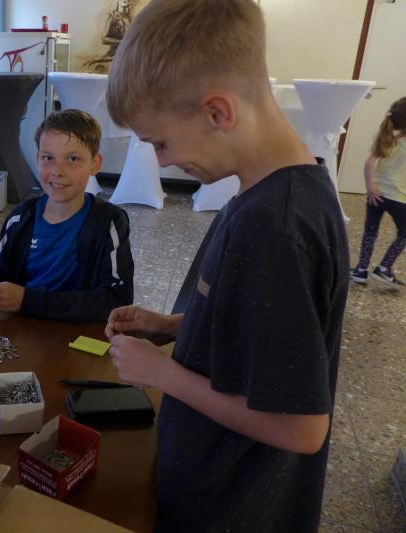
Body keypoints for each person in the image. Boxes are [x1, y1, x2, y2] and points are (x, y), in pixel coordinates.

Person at [103, 1, 349, 531]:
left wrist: (161, 374)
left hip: (232, 506)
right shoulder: (271, 190)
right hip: (211, 484)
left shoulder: (276, 225)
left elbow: (301, 427)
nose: (163, 160)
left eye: (161, 142)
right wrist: (174, 326)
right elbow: (260, 330)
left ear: (218, 112)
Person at [0, 109, 133, 321]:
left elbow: (118, 298)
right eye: (48, 158)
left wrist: (28, 300)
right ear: (38, 159)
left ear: (94, 164)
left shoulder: (108, 222)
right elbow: (3, 272)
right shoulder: (19, 219)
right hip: (22, 330)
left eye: (73, 159)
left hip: (76, 332)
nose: (57, 171)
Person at [350, 97, 406, 290]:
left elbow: (369, 163)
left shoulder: (389, 140)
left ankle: (361, 270)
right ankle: (384, 268)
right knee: (404, 234)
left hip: (377, 194)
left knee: (370, 231)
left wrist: (370, 186)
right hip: (399, 198)